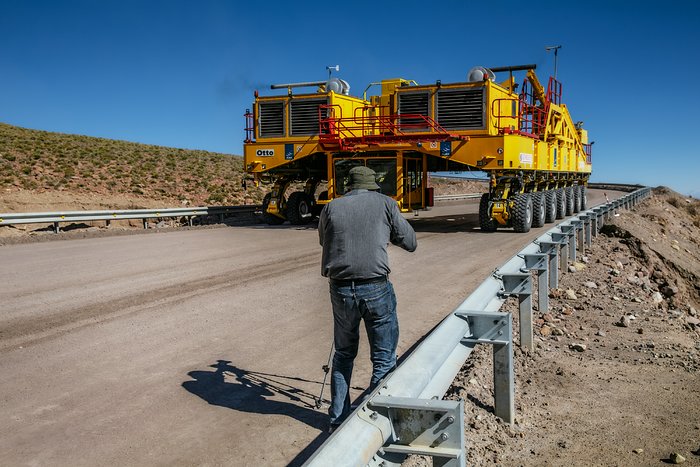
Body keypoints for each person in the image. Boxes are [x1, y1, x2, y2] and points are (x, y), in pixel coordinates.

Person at [318, 165, 417, 431]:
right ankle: (376, 421)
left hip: (340, 290)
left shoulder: (331, 207)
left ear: (348, 185)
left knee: (343, 354)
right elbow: (410, 242)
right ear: (373, 184)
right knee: (384, 358)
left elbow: (323, 241)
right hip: (375, 288)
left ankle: (337, 419)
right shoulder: (386, 203)